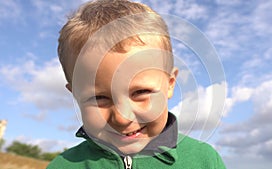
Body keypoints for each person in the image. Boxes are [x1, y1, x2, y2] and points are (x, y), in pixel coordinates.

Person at [47, 0, 226, 168]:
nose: (122, 118)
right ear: (75, 95)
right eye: (99, 98)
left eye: (140, 92)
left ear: (170, 84)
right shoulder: (63, 165)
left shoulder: (205, 160)